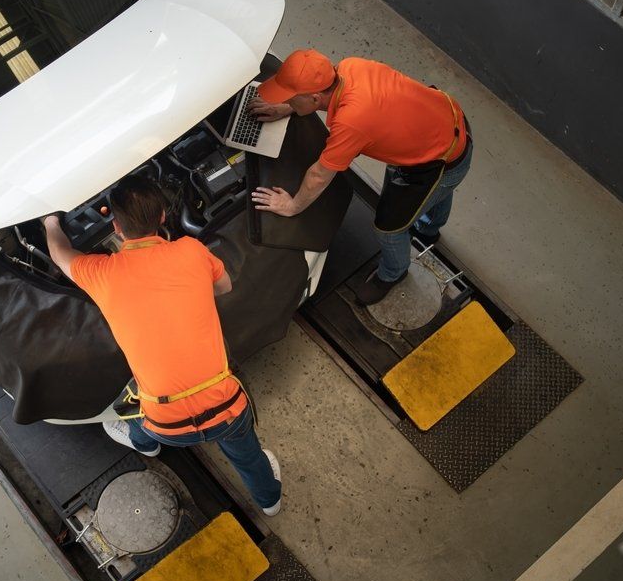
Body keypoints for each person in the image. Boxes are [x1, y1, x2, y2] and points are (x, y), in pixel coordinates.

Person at [41, 176, 283, 516]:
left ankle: (146, 443)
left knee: (133, 388)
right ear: (163, 217)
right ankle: (269, 500)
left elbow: (60, 253)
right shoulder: (191, 250)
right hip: (227, 408)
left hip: (168, 428)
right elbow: (224, 286)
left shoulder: (100, 272)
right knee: (248, 455)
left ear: (116, 227)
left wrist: (51, 221)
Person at [249, 49, 473, 305]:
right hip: (446, 119)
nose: (286, 101)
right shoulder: (349, 67)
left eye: (290, 97)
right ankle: (430, 230)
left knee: (389, 228)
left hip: (441, 160)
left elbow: (320, 175)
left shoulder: (352, 121)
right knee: (437, 193)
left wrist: (291, 206)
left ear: (312, 97)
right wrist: (286, 108)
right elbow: (323, 100)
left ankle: (393, 274)